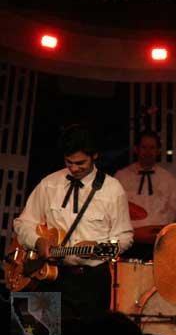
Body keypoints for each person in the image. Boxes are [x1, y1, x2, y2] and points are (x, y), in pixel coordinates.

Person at [12, 124, 133, 321]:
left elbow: (125, 237)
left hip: (91, 279)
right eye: (69, 162)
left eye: (80, 163)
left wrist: (99, 248)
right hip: (50, 276)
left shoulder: (113, 189)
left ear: (95, 155)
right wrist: (38, 241)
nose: (74, 168)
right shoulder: (49, 183)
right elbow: (22, 223)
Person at [115, 130, 176, 259]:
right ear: (136, 149)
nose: (148, 152)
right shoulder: (121, 176)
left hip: (158, 243)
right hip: (130, 243)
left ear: (158, 151)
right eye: (144, 147)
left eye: (152, 148)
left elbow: (172, 213)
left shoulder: (168, 179)